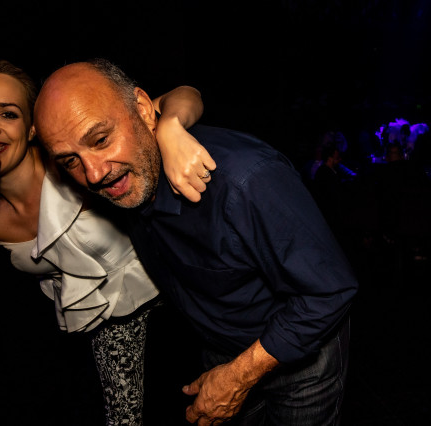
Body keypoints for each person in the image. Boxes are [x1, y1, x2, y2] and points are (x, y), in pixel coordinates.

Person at [33, 58, 359, 425]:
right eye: (70, 161)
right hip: (220, 352)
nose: (93, 173)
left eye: (101, 140)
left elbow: (329, 291)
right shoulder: (130, 173)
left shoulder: (245, 181)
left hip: (300, 361)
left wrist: (237, 377)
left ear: (144, 110)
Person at [0, 56, 216, 426]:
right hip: (98, 336)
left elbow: (185, 93)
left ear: (32, 128)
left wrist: (170, 128)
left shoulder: (73, 159)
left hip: (180, 305)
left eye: (8, 114)